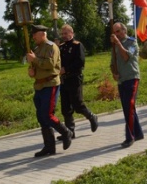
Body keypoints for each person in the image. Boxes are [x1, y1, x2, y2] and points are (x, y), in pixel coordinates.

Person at [26, 25, 73, 157]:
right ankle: (49, 146)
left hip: (50, 84)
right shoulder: (36, 49)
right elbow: (35, 67)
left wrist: (34, 59)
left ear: (42, 34)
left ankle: (65, 132)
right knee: (42, 117)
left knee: (48, 114)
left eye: (35, 34)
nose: (33, 37)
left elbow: (50, 65)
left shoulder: (51, 47)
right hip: (39, 86)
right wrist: (31, 72)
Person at [57, 24, 98, 141]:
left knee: (77, 104)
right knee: (65, 107)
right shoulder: (61, 47)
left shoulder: (77, 45)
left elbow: (80, 62)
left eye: (66, 33)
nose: (64, 36)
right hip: (64, 80)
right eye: (62, 33)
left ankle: (92, 117)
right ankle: (70, 131)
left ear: (71, 33)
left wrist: (66, 69)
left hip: (74, 78)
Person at [110, 22, 144, 148]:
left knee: (128, 107)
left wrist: (118, 44)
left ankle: (130, 137)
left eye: (118, 31)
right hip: (121, 80)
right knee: (128, 107)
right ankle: (138, 133)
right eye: (114, 32)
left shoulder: (132, 42)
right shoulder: (114, 46)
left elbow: (126, 57)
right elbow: (112, 63)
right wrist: (114, 73)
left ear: (124, 31)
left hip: (132, 77)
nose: (116, 35)